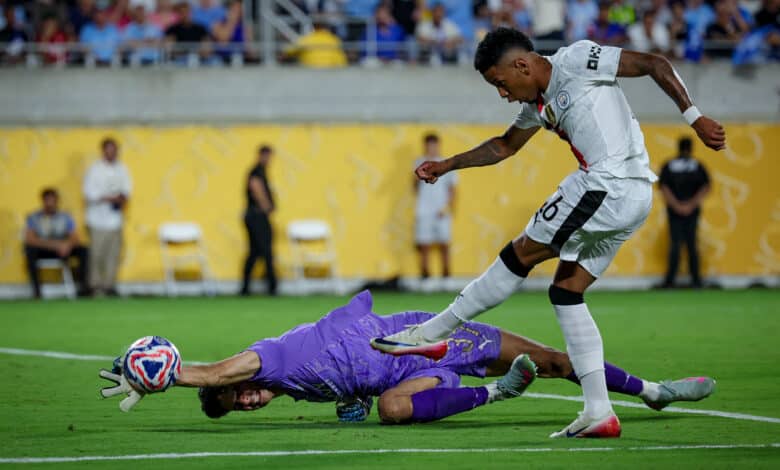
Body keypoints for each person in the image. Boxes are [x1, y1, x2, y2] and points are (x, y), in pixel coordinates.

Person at [371, 27, 725, 438]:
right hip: (630, 197)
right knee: (566, 292)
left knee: (520, 254)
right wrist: (447, 165)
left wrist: (694, 117)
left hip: (605, 186)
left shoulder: (576, 60)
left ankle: (433, 333)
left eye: (500, 83)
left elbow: (653, 64)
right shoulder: (537, 103)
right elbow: (504, 146)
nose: (502, 94)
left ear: (522, 65)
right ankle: (599, 412)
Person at [100, 291, 715, 423]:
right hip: (407, 375)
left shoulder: (267, 359)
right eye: (245, 403)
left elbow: (213, 370)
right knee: (393, 410)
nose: (250, 394)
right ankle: (497, 394)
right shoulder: (295, 386)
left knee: (555, 359)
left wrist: (166, 375)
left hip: (418, 338)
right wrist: (349, 399)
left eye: (238, 392)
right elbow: (343, 362)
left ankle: (652, 390)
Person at [658, 137, 710, 289]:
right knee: (691, 244)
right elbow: (705, 187)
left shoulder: (670, 165)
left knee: (676, 244)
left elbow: (664, 187)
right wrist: (690, 205)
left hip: (675, 211)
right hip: (691, 211)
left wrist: (677, 205)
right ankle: (696, 281)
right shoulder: (697, 165)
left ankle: (670, 281)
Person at [83, 137, 132, 297]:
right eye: (108, 149)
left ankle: (109, 286)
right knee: (96, 254)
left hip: (115, 219)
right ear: (103, 150)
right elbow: (89, 193)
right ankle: (95, 286)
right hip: (97, 219)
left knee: (113, 255)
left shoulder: (122, 169)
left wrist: (120, 198)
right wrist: (110, 198)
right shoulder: (95, 169)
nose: (111, 152)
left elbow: (127, 190)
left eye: (114, 149)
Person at [24, 188, 90, 299]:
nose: (50, 204)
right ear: (43, 201)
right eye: (47, 200)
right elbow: (30, 239)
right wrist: (55, 245)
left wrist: (67, 245)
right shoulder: (34, 217)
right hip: (44, 249)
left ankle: (83, 289)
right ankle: (37, 291)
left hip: (63, 249)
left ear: (57, 201)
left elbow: (75, 237)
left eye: (52, 200)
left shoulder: (65, 217)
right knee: (30, 250)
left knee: (83, 250)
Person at [414, 133, 456, 280]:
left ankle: (446, 276)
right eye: (429, 145)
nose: (431, 148)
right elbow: (415, 186)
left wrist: (448, 207)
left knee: (444, 243)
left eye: (434, 145)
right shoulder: (419, 163)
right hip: (424, 210)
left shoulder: (446, 163)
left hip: (441, 210)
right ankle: (425, 276)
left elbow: (452, 189)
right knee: (424, 244)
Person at [241, 145, 277, 297]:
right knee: (265, 251)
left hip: (255, 216)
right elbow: (256, 188)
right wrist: (267, 206)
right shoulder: (256, 171)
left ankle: (246, 287)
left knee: (255, 252)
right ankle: (271, 286)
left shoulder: (261, 171)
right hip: (256, 216)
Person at [122, 0, 164, 65]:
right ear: (134, 12)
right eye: (138, 10)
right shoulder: (128, 28)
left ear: (146, 11)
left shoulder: (155, 28)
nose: (140, 13)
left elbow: (160, 44)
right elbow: (127, 45)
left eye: (142, 10)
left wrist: (138, 42)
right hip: (135, 63)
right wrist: (148, 42)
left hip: (154, 62)